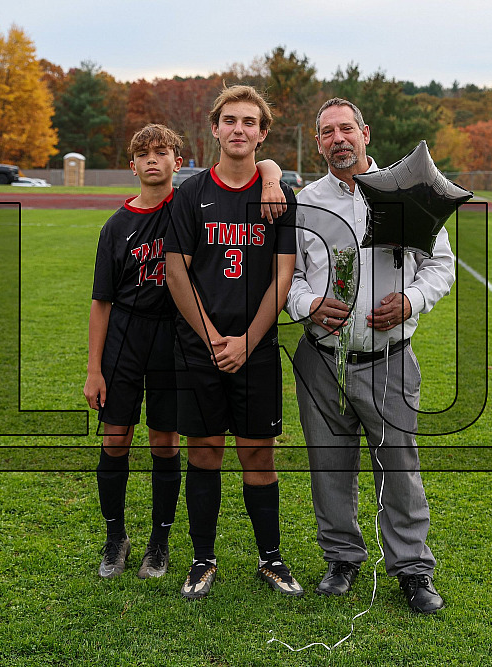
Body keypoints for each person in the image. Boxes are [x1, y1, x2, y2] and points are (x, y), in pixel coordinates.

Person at [85, 123, 286, 580]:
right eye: (143, 154)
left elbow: (256, 168)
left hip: (173, 336)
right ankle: (115, 537)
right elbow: (101, 302)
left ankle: (160, 540)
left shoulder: (190, 201)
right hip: (125, 337)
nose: (152, 160)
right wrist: (94, 368)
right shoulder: (116, 226)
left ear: (179, 161)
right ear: (131, 165)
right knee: (115, 438)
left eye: (162, 152)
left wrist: (271, 171)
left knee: (164, 440)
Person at [285, 98, 455, 613]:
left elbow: (441, 266)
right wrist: (309, 304)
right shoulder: (304, 203)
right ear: (318, 143)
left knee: (399, 468)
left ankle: (412, 569)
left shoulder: (407, 193)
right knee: (329, 465)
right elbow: (286, 278)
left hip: (389, 358)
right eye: (327, 132)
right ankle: (341, 558)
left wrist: (410, 300)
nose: (338, 138)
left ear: (365, 132)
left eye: (347, 129)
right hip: (322, 358)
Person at [165, 85, 302, 600]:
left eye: (250, 122)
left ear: (262, 134)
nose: (239, 129)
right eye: (230, 120)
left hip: (257, 348)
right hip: (200, 348)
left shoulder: (277, 195)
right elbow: (177, 273)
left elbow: (283, 275)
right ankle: (203, 559)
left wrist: (246, 340)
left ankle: (271, 559)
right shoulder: (190, 193)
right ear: (215, 128)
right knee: (203, 454)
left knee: (258, 457)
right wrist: (215, 337)